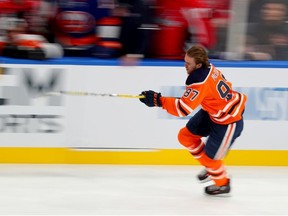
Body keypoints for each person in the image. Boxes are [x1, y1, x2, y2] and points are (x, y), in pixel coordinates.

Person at [139, 45, 247, 196]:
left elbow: (183, 109)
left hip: (228, 122)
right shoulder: (208, 68)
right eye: (185, 62)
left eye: (188, 64)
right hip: (213, 113)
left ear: (198, 65)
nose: (185, 66)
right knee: (185, 136)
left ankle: (223, 184)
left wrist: (158, 101)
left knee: (212, 160)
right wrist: (160, 100)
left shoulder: (199, 80)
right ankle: (211, 168)